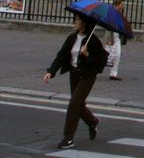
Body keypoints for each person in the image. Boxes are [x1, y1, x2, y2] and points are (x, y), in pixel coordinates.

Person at [43, 13, 107, 150]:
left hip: (87, 76)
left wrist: (88, 55)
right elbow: (62, 55)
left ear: (84, 23)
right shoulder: (72, 38)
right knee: (78, 105)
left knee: (74, 104)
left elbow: (100, 63)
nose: (74, 22)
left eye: (77, 20)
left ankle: (68, 137)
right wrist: (51, 71)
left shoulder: (93, 41)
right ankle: (93, 122)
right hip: (74, 75)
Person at [107, 0, 130, 81]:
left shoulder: (119, 14)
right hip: (113, 36)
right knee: (110, 54)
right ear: (118, 4)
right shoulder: (112, 13)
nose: (123, 6)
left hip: (117, 37)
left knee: (117, 54)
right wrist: (109, 39)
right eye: (122, 4)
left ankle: (113, 73)